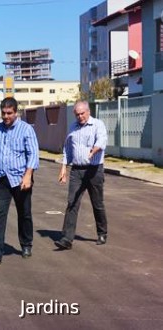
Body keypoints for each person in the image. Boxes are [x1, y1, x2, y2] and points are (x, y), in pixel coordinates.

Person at [0, 97, 40, 265]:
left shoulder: (26, 129)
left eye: (9, 113)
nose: (6, 116)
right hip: (1, 178)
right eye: (3, 113)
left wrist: (28, 175)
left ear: (16, 112)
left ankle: (26, 244)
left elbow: (33, 154)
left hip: (21, 179)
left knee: (24, 213)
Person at [55, 101, 109, 250]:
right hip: (77, 171)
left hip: (94, 170)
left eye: (82, 113)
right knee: (72, 202)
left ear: (88, 111)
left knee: (97, 203)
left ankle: (102, 232)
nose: (80, 117)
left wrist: (94, 151)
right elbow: (68, 150)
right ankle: (67, 238)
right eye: (77, 114)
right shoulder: (73, 128)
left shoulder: (98, 125)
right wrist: (63, 168)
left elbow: (102, 141)